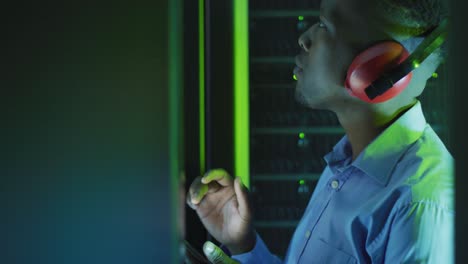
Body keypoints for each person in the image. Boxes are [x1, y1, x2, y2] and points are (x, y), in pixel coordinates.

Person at [187, 0, 453, 262]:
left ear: (376, 66)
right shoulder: (347, 164)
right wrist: (243, 243)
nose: (304, 38)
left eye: (325, 26)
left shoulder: (420, 204)